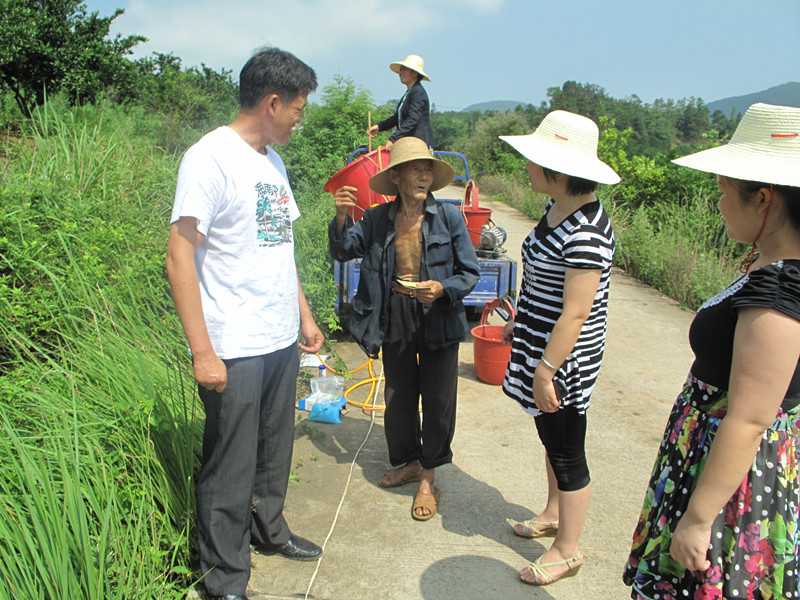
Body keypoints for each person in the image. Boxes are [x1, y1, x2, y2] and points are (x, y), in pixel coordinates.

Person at [166, 48, 324, 600]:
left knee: (274, 449)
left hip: (279, 335)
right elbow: (178, 255)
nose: (300, 119)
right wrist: (202, 351)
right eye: (298, 109)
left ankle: (269, 530)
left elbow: (282, 248)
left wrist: (304, 316)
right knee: (230, 463)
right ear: (272, 102)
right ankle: (224, 577)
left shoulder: (272, 162)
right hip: (234, 341)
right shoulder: (209, 158)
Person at [623, 103, 800, 599]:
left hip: (728, 483)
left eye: (724, 192)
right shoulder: (769, 266)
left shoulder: (779, 294)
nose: (719, 204)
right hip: (709, 462)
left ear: (763, 199)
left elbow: (749, 418)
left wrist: (699, 518)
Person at [498, 110, 620, 586]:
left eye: (534, 160)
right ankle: (553, 512)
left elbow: (576, 312)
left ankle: (568, 548)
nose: (527, 167)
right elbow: (540, 281)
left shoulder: (586, 231)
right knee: (549, 435)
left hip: (563, 359)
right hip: (539, 345)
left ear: (559, 170)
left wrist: (547, 370)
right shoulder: (557, 211)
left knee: (567, 447)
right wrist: (519, 322)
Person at [328, 136, 479, 520]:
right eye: (415, 168)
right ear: (396, 177)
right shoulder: (377, 220)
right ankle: (409, 461)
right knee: (399, 397)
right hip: (394, 312)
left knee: (439, 398)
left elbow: (470, 273)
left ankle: (429, 475)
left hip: (438, 313)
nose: (423, 175)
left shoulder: (448, 217)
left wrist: (443, 288)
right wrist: (343, 217)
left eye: (427, 168)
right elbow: (344, 250)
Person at [367, 54, 433, 149]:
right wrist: (379, 127)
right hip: (407, 143)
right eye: (401, 69)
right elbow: (397, 118)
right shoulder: (409, 93)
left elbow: (412, 119)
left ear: (414, 73)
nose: (400, 73)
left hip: (417, 146)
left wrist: (393, 139)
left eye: (404, 69)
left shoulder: (418, 93)